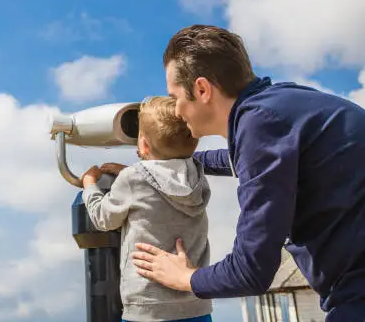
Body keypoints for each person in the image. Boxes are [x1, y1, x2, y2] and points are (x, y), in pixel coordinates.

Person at [126, 25, 365, 321]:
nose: (176, 110)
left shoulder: (260, 125)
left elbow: (251, 270)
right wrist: (169, 165)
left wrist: (186, 278)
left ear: (201, 90)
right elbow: (239, 160)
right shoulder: (277, 107)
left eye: (175, 97)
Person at [80, 96, 213, 322]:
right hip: (195, 305)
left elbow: (104, 219)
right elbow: (164, 179)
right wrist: (134, 173)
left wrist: (89, 186)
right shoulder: (197, 177)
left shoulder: (133, 179)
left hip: (148, 307)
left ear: (143, 144)